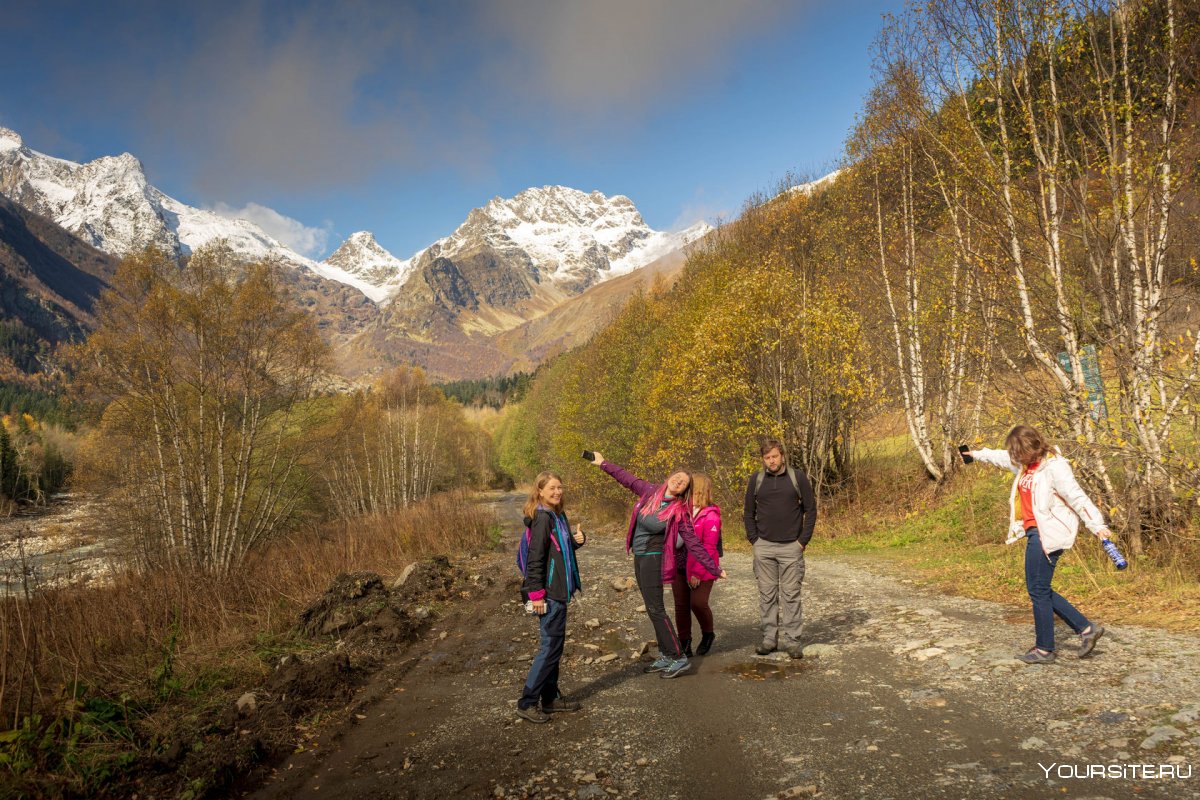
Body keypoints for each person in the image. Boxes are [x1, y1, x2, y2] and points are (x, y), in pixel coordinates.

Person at [965, 425, 1109, 663]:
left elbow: (1077, 496)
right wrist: (976, 454)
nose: (1014, 456)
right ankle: (1086, 629)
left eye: (1017, 452)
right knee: (1040, 588)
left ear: (1030, 448)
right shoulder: (1025, 465)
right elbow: (1001, 457)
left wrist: (1097, 525)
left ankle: (1045, 649)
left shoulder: (1054, 467)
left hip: (1047, 534)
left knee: (1038, 590)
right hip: (1034, 532)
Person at [587, 451, 724, 679]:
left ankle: (678, 657)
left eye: (684, 482)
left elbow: (693, 543)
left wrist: (714, 568)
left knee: (657, 609)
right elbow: (626, 477)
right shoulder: (650, 492)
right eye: (677, 476)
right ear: (670, 477)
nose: (678, 481)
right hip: (639, 555)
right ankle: (667, 655)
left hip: (654, 557)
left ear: (684, 490)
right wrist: (602, 463)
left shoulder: (680, 511)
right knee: (652, 609)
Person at [517, 471, 586, 723]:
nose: (558, 492)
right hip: (548, 594)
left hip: (558, 592)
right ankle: (527, 702)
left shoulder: (557, 515)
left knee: (554, 648)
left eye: (560, 487)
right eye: (552, 488)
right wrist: (536, 595)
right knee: (549, 649)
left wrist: (578, 541)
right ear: (540, 491)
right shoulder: (543, 518)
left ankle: (549, 699)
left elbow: (561, 549)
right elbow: (536, 559)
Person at [744, 438, 816, 659]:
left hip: (791, 548)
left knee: (791, 595)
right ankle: (769, 640)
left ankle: (793, 641)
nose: (771, 461)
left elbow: (811, 511)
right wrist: (754, 540)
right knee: (767, 596)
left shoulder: (797, 478)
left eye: (774, 456)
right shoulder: (756, 480)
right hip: (763, 547)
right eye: (767, 458)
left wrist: (802, 541)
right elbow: (748, 513)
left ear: (782, 456)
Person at [671, 472, 722, 657]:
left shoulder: (711, 515)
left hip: (702, 567)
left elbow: (708, 547)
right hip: (678, 564)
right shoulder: (679, 509)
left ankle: (708, 634)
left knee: (698, 603)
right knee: (681, 605)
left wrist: (698, 573)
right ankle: (685, 643)